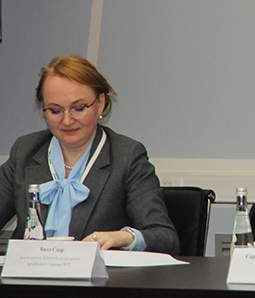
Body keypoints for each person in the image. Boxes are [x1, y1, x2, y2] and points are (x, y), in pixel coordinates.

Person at [0, 56, 179, 254]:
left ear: (100, 103)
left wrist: (124, 237)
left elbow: (165, 238)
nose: (67, 121)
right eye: (55, 110)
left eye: (78, 108)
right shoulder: (25, 150)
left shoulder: (126, 156)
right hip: (28, 273)